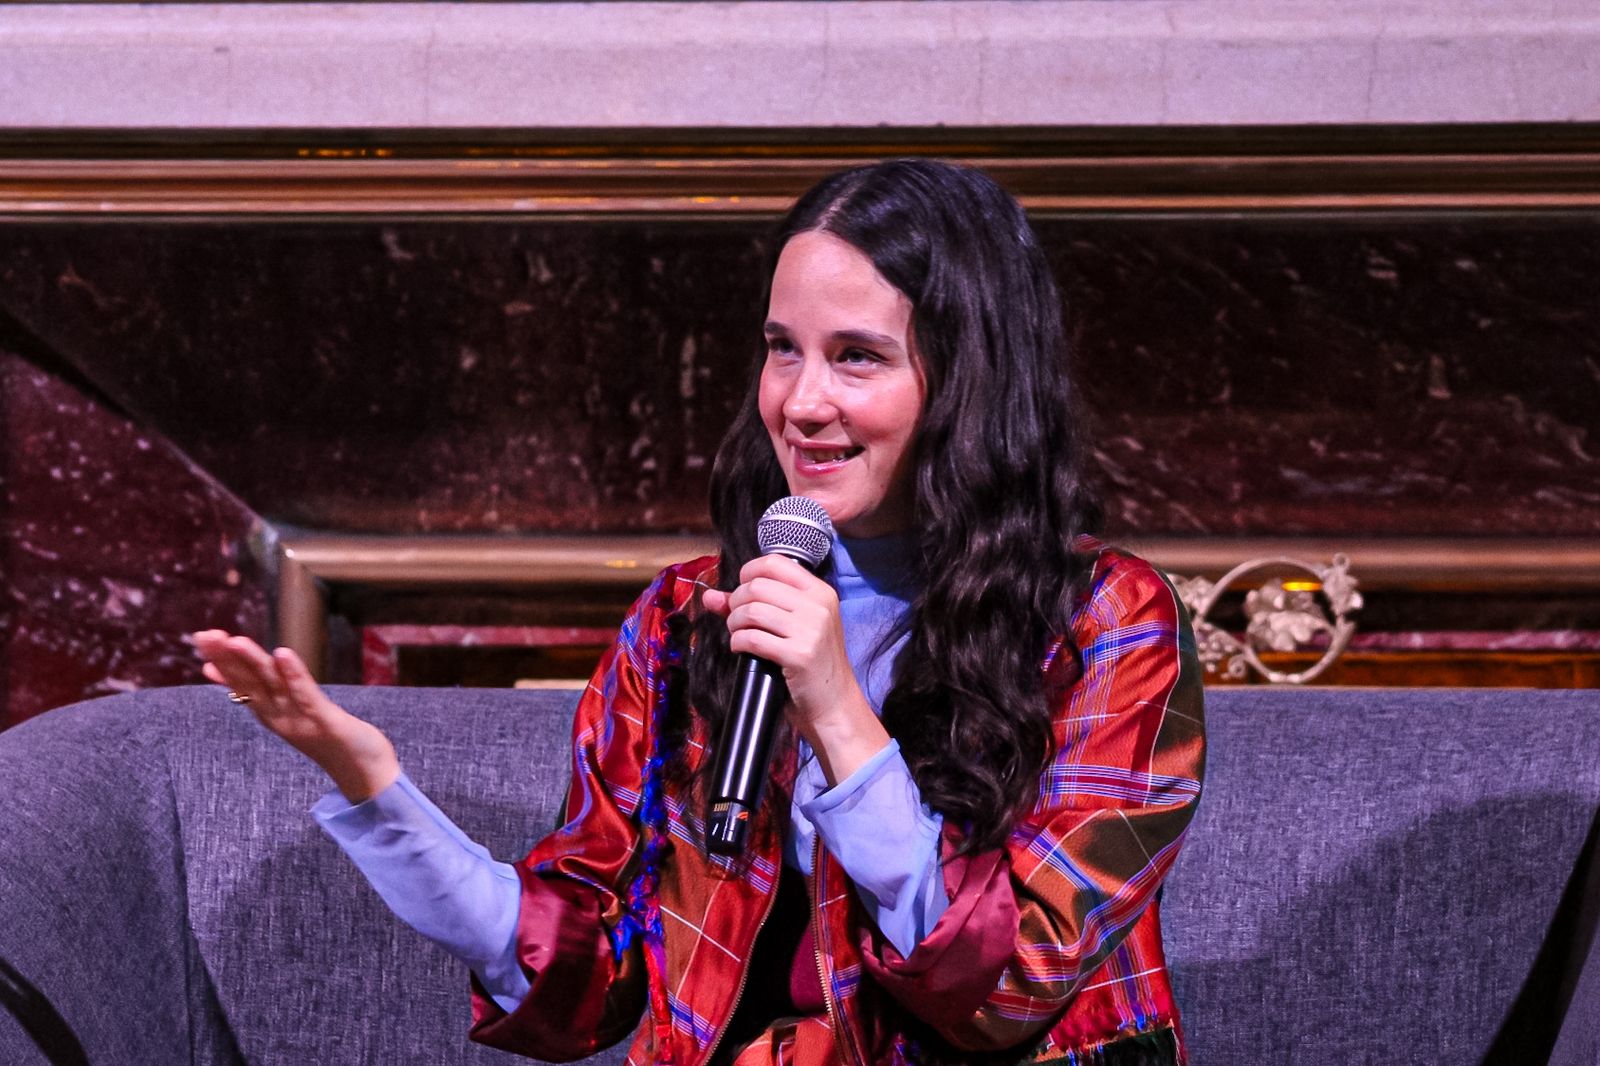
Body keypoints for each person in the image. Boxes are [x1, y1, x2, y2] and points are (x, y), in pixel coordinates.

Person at [192, 158, 1206, 1066]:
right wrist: (378, 791)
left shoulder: (1104, 622)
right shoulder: (689, 617)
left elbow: (1010, 985)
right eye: (781, 348)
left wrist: (835, 704)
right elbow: (589, 973)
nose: (801, 402)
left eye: (857, 355)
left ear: (968, 378)